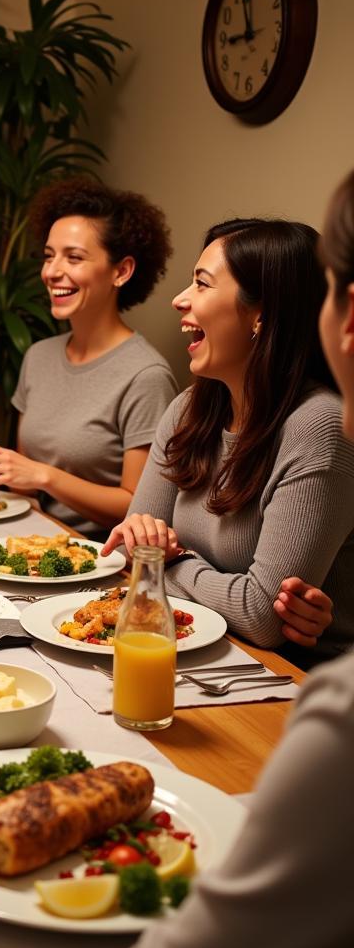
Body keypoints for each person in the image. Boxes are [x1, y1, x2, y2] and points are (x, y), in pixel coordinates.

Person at [103, 217, 354, 661]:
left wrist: (169, 561)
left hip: (298, 679)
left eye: (202, 284)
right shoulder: (189, 408)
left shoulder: (319, 427)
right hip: (196, 649)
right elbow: (127, 551)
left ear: (262, 313)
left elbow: (262, 618)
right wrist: (150, 560)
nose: (179, 300)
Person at [0, 178, 177, 537]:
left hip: (100, 561)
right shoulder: (39, 357)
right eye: (49, 256)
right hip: (30, 545)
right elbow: (25, 485)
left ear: (121, 271)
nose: (51, 272)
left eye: (74, 257)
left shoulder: (146, 375)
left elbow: (138, 509)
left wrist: (45, 475)